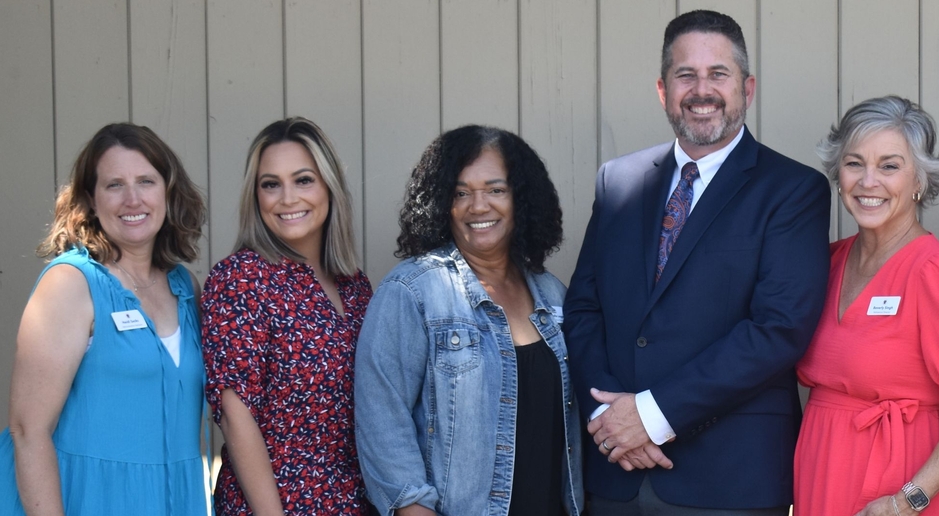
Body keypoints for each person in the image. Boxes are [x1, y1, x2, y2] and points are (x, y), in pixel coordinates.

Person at [564, 9, 830, 514]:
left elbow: (778, 328)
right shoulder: (617, 182)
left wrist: (650, 414)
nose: (701, 90)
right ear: (663, 90)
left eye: (718, 74)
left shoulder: (792, 191)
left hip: (729, 480)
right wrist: (610, 415)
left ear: (747, 89)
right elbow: (582, 308)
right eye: (686, 74)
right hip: (615, 470)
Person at [793, 95, 939, 516]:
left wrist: (907, 501)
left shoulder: (935, 273)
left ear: (919, 181)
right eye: (855, 163)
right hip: (822, 474)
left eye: (889, 166)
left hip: (896, 493)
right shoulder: (828, 262)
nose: (868, 181)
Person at [354, 125, 581, 516]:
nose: (478, 206)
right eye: (461, 193)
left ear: (521, 199)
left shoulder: (551, 293)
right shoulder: (412, 291)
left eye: (496, 190)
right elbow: (381, 419)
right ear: (442, 204)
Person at [0, 123, 209, 515]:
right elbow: (28, 430)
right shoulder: (71, 283)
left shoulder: (185, 288)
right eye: (114, 185)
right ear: (91, 201)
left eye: (146, 181)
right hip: (90, 498)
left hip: (176, 500)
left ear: (167, 191)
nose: (133, 199)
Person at [201, 117, 372, 515]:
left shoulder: (356, 286)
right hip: (276, 505)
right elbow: (234, 412)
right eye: (271, 184)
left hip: (355, 502)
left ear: (329, 186)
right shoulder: (241, 278)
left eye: (304, 180)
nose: (287, 198)